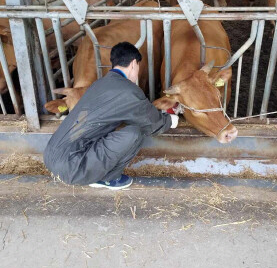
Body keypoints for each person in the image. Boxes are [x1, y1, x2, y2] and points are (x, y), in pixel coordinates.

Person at [44, 42, 179, 191]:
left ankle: (92, 172)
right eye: (138, 66)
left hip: (51, 156)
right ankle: (107, 178)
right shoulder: (129, 91)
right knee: (135, 133)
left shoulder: (98, 84)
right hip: (73, 168)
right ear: (134, 64)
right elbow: (152, 124)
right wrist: (171, 119)